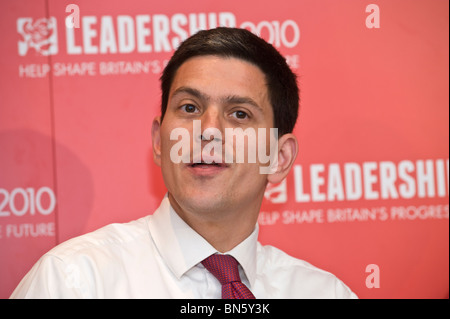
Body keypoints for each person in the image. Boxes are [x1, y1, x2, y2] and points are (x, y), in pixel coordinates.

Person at [10, 27, 357, 299]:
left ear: (279, 159)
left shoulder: (325, 294)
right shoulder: (74, 282)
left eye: (239, 114)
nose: (208, 131)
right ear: (160, 141)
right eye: (190, 108)